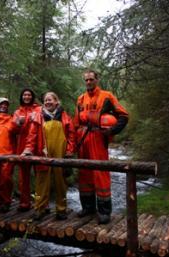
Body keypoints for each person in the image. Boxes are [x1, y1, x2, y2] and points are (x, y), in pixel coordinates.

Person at [74, 69, 129, 224]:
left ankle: (104, 211)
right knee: (84, 172)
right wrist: (73, 142)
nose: (89, 82)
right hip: (82, 138)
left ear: (97, 79)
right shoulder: (80, 99)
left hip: (98, 138)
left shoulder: (107, 96)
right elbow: (75, 122)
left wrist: (112, 131)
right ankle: (87, 208)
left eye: (91, 79)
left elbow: (124, 115)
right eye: (86, 80)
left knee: (100, 173)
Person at [22, 92, 76, 220]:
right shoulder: (38, 116)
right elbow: (32, 135)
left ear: (57, 102)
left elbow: (71, 135)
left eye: (50, 100)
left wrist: (69, 151)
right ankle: (39, 208)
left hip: (60, 153)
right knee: (41, 181)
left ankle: (61, 209)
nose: (47, 102)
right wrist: (28, 149)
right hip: (43, 152)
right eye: (45, 100)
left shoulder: (64, 116)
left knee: (61, 181)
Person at [13, 89, 41, 212]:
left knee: (40, 175)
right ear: (21, 97)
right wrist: (18, 124)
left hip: (38, 145)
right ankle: (25, 203)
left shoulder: (38, 109)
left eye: (29, 95)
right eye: (24, 94)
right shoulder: (17, 112)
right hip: (22, 146)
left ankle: (41, 204)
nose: (27, 97)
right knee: (23, 177)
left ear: (32, 96)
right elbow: (12, 129)